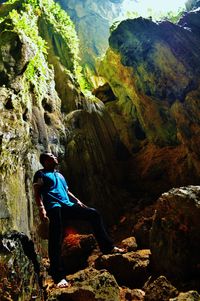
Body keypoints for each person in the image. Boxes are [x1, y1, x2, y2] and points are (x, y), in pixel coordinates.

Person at [33, 152, 124, 288]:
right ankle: (58, 276)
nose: (55, 157)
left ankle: (108, 247)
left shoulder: (60, 175)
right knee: (56, 237)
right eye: (52, 156)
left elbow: (67, 191)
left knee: (93, 214)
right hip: (54, 207)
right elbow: (37, 191)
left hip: (67, 205)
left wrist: (78, 201)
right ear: (46, 161)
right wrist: (41, 208)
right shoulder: (40, 174)